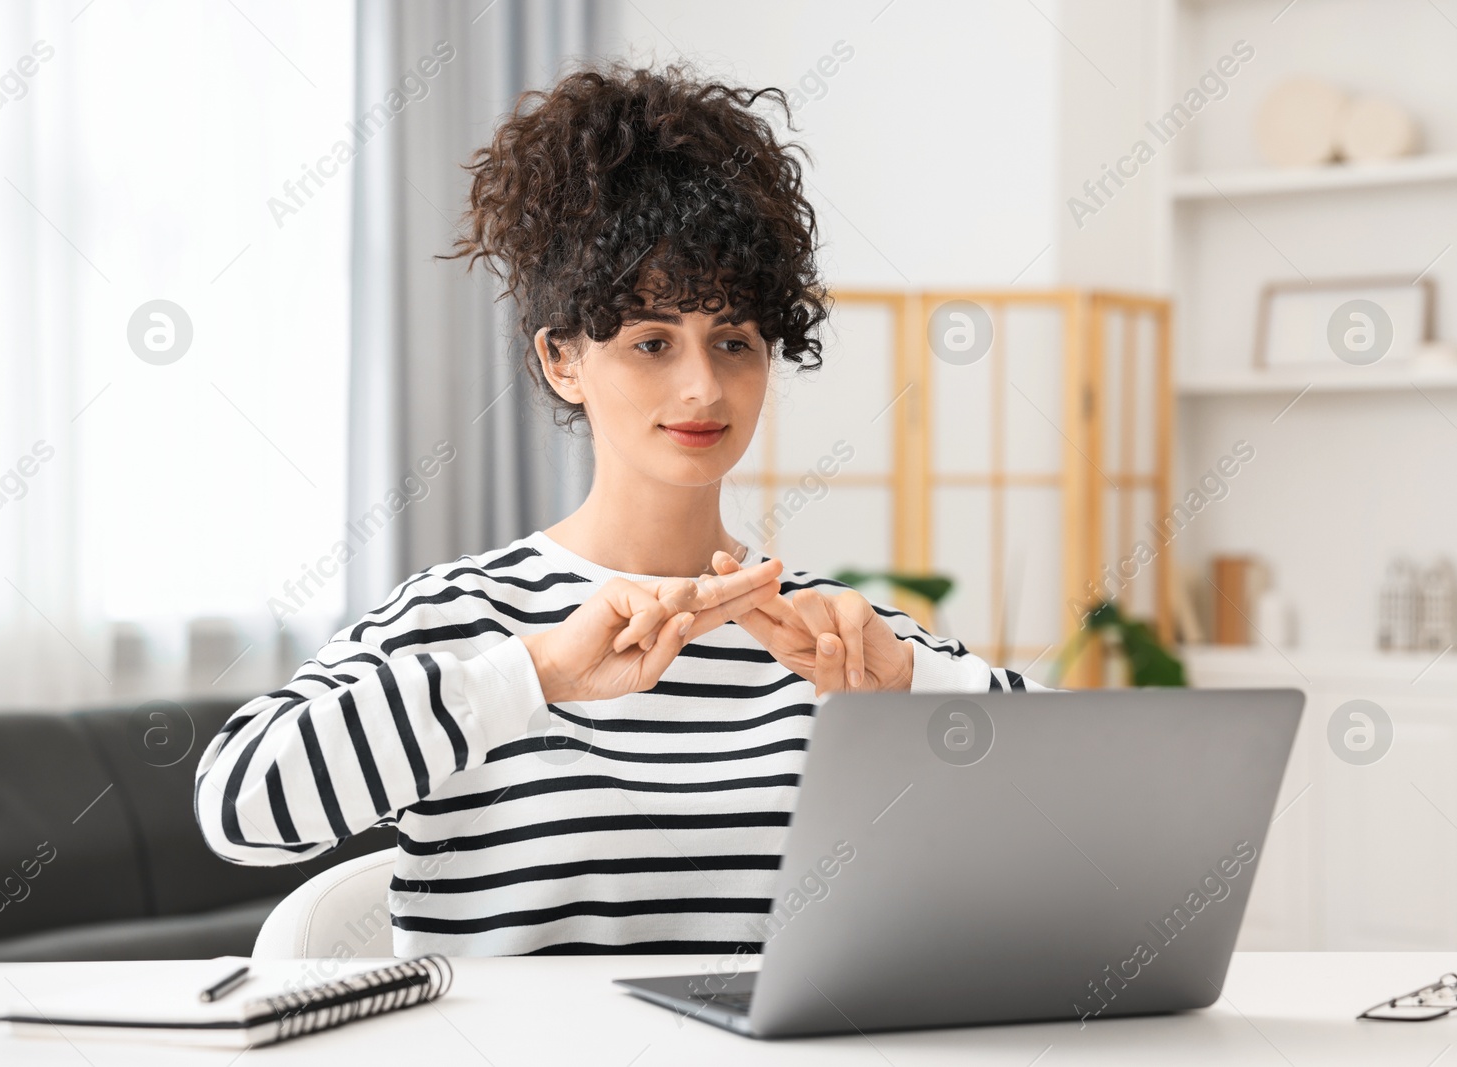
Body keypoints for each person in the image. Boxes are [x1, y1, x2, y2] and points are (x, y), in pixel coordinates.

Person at [195, 60, 1038, 958]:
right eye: (651, 340)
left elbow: (1102, 799)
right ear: (563, 358)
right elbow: (242, 806)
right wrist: (536, 672)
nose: (703, 385)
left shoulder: (832, 635)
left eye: (734, 341)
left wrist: (910, 688)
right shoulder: (465, 617)